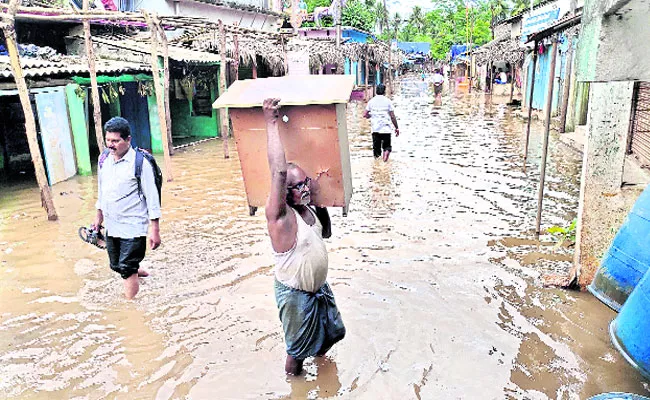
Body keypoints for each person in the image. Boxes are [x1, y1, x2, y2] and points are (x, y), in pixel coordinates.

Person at [263, 98, 346, 375]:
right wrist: (271, 122)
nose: (304, 188)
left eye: (305, 182)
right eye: (297, 186)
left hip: (318, 289)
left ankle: (323, 374)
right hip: (296, 295)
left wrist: (321, 206)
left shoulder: (309, 209)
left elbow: (327, 234)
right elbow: (278, 171)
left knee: (333, 334)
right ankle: (295, 386)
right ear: (284, 193)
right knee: (296, 353)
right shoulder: (281, 218)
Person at [92, 117, 161, 300]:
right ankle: (140, 271)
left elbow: (152, 198)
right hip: (113, 223)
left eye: (115, 141)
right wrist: (98, 219)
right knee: (116, 265)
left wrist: (154, 230)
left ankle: (131, 307)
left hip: (133, 224)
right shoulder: (103, 159)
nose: (111, 145)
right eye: (108, 140)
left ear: (128, 139)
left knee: (126, 268)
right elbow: (102, 191)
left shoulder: (140, 163)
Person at [363, 84, 400, 162]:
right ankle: (385, 159)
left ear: (376, 91)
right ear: (384, 91)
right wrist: (396, 128)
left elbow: (365, 114)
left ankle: (378, 164)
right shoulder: (388, 101)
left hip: (375, 129)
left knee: (376, 151)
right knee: (387, 147)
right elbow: (392, 116)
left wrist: (371, 116)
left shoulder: (371, 101)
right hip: (386, 129)